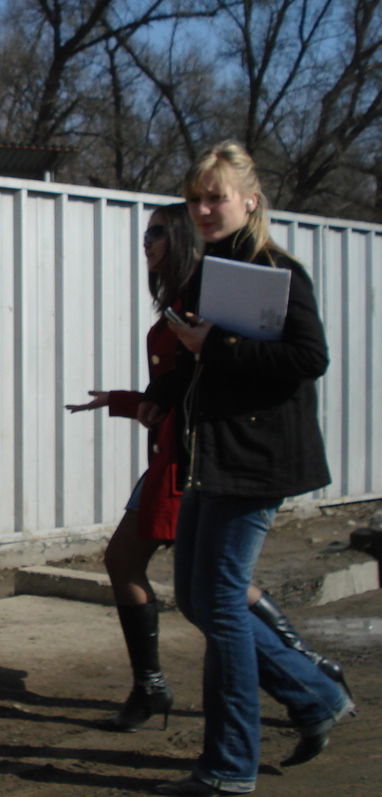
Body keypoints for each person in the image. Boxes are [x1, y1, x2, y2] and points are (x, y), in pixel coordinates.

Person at [66, 205, 347, 734]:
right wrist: (131, 401)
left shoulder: (208, 300)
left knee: (210, 590)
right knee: (208, 587)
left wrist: (149, 400)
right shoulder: (179, 302)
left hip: (195, 462)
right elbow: (178, 388)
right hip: (174, 456)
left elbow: (266, 367)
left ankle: (302, 687)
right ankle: (304, 685)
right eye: (144, 234)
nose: (145, 243)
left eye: (155, 234)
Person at [140, 143, 355, 796]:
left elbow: (307, 357)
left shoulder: (275, 269)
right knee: (202, 597)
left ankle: (229, 767)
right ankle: (315, 695)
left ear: (250, 200)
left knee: (224, 605)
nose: (203, 209)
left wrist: (219, 347)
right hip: (214, 454)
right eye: (196, 199)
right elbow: (203, 366)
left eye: (217, 197)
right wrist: (164, 394)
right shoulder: (212, 270)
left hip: (259, 461)